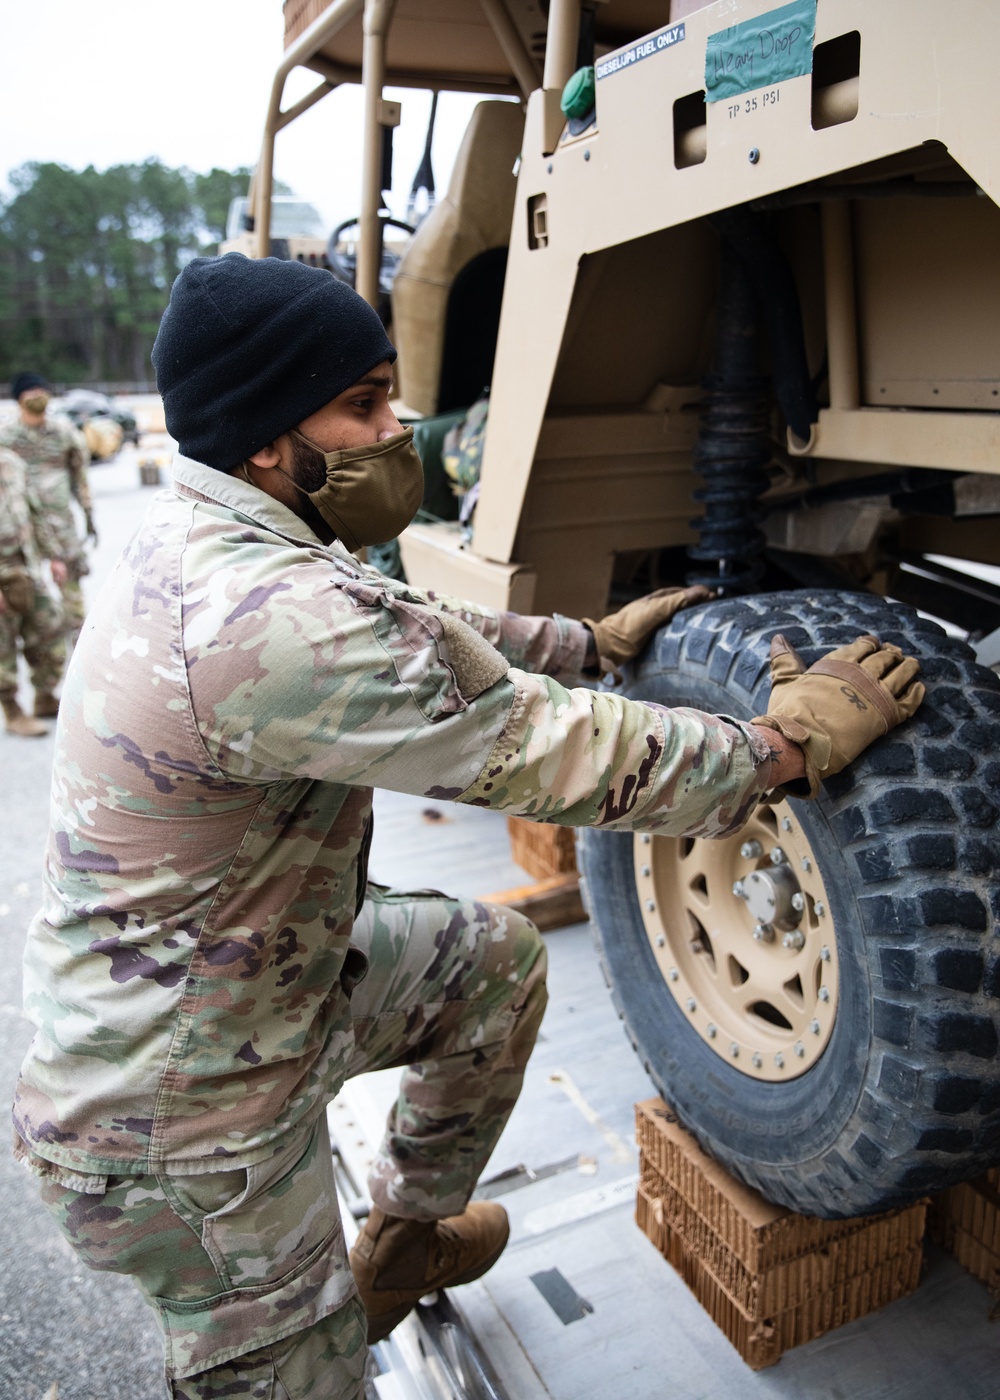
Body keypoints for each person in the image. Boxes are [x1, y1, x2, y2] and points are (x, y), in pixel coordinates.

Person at [11, 256, 924, 1400]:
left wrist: (581, 640)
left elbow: (403, 618)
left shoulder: (222, 533)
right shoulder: (256, 621)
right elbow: (554, 754)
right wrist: (782, 743)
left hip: (256, 990)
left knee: (487, 965)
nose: (397, 431)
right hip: (178, 1115)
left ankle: (399, 1235)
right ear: (260, 438)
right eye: (362, 405)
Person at [0, 373, 95, 708]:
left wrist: (89, 516)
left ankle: (80, 677)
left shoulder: (64, 433)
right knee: (24, 611)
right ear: (17, 399)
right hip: (18, 534)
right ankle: (22, 693)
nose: (37, 396)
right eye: (30, 392)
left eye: (42, 390)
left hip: (59, 530)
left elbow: (80, 478)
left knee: (73, 610)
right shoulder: (5, 438)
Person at [0, 445, 65, 736]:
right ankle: (13, 711)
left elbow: (33, 509)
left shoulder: (11, 461)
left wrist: (53, 555)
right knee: (3, 648)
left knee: (49, 629)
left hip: (27, 565)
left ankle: (45, 697)